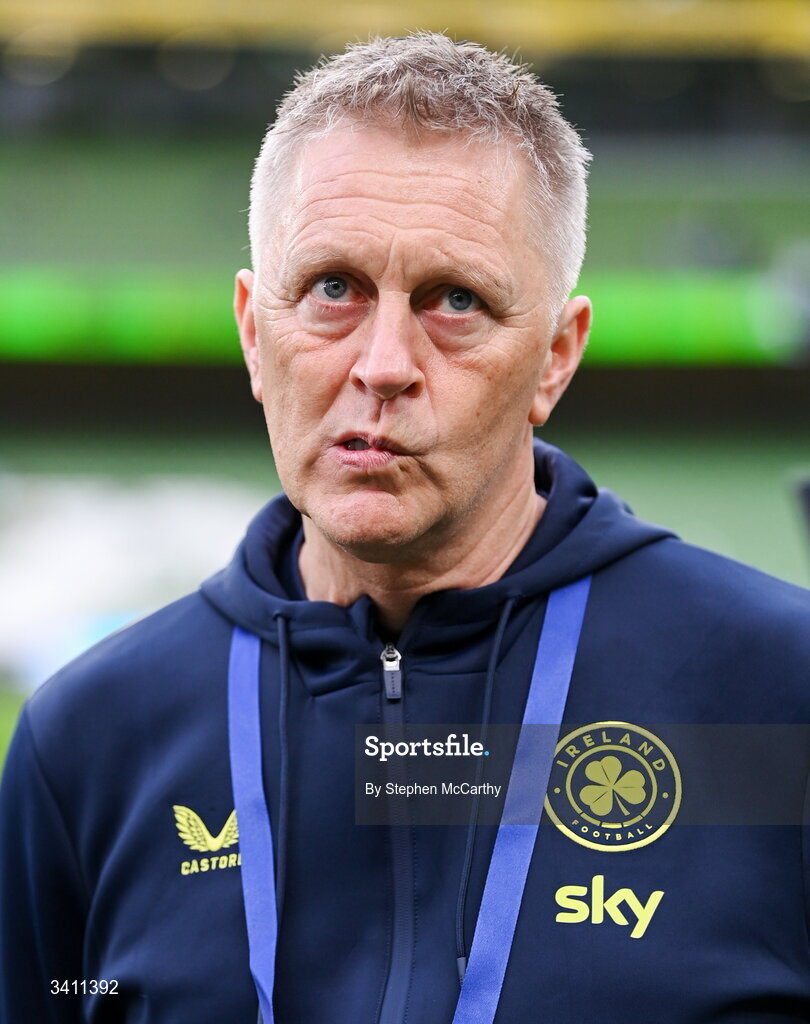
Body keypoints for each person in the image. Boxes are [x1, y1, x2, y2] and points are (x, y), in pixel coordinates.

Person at [1, 31, 809, 1024]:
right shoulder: (88, 741)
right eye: (333, 289)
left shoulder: (780, 695)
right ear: (254, 332)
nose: (384, 363)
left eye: (455, 301)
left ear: (556, 357)